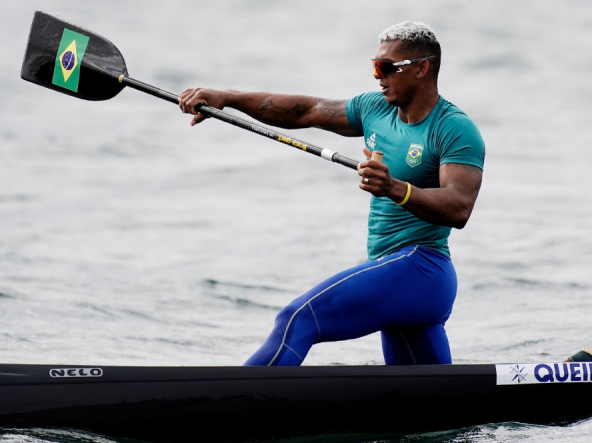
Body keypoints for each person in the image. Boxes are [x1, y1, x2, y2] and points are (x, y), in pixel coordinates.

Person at [179, 21, 485, 366]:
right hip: (393, 273)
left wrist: (393, 187)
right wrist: (227, 99)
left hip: (423, 271)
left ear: (421, 69)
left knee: (297, 320)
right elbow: (306, 110)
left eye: (385, 68)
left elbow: (459, 207)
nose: (377, 76)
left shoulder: (453, 128)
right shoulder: (376, 110)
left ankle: (228, 408)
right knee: (431, 409)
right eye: (374, 66)